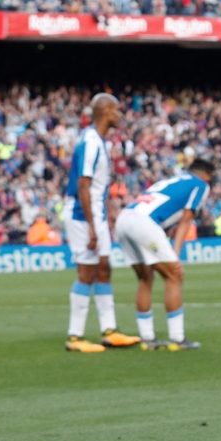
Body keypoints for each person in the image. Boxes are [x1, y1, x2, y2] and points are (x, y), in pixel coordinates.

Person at [63, 94, 140, 353]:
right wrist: (93, 226)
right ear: (106, 111)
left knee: (104, 268)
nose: (120, 115)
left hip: (95, 212)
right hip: (81, 214)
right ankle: (75, 336)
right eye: (116, 110)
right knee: (87, 272)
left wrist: (108, 213)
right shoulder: (90, 143)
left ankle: (109, 330)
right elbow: (83, 187)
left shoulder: (98, 142)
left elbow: (98, 187)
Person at [114, 159, 215, 351]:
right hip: (144, 223)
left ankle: (148, 338)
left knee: (145, 278)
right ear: (206, 175)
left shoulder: (175, 180)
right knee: (174, 276)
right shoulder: (200, 185)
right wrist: (176, 254)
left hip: (125, 219)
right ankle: (177, 339)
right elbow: (186, 220)